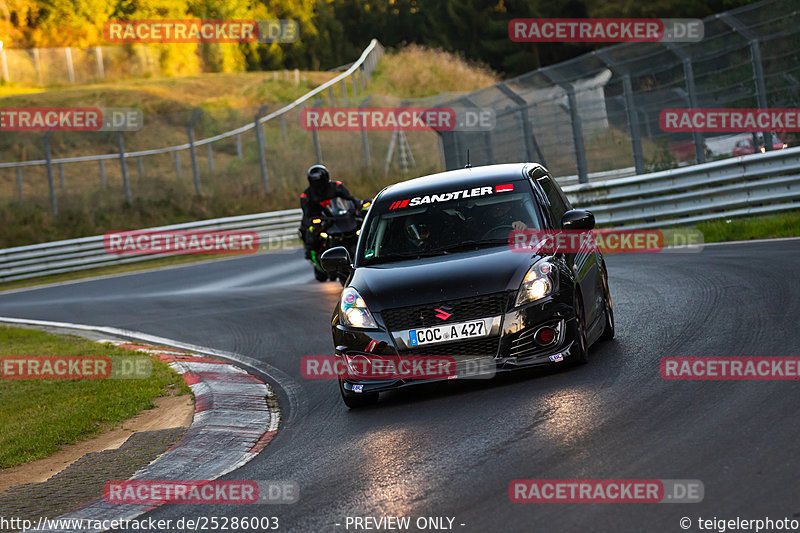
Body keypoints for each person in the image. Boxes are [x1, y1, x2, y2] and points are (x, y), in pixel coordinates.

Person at [299, 164, 360, 259]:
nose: (318, 183)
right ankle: (312, 252)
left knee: (361, 222)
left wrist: (358, 206)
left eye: (319, 180)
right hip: (321, 220)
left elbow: (350, 199)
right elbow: (307, 212)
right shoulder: (306, 195)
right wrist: (315, 220)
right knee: (309, 231)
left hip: (340, 218)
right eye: (315, 181)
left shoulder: (336, 186)